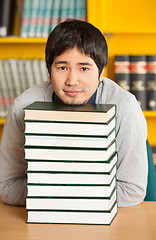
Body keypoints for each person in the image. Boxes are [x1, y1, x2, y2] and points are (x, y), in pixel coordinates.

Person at [0, 19, 148, 207]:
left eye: (84, 68)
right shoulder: (24, 106)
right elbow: (7, 186)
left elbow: (131, 190)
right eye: (62, 68)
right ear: (49, 71)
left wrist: (53, 191)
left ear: (101, 72)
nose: (72, 80)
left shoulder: (125, 107)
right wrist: (76, 193)